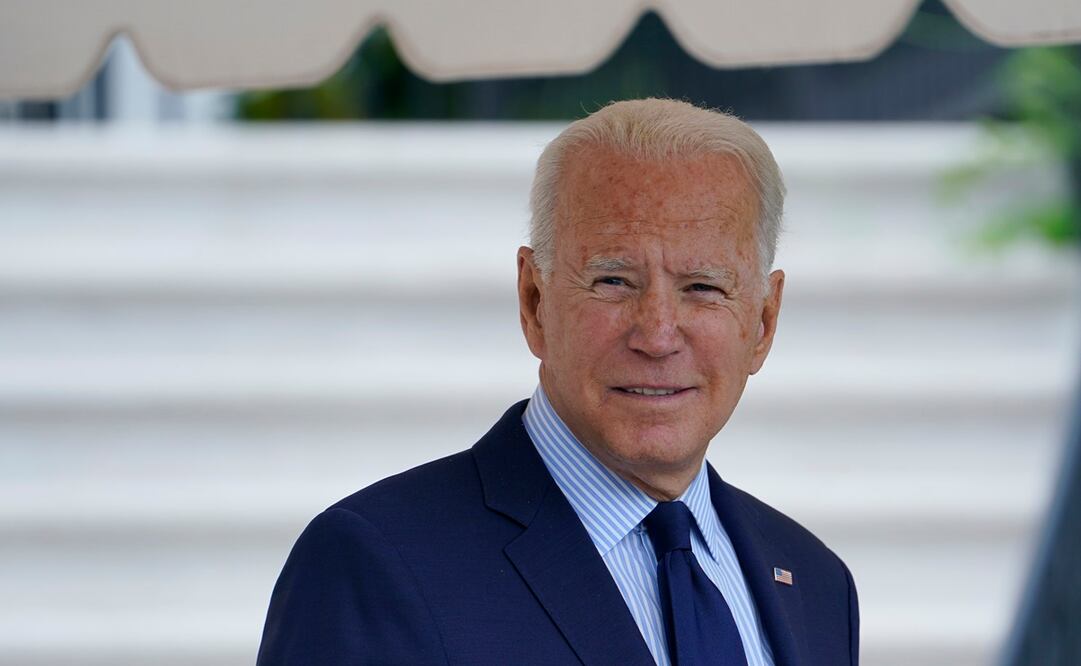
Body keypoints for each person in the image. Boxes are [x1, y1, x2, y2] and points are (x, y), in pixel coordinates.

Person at [257, 98, 859, 665]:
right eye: (613, 281)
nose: (657, 335)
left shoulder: (818, 584)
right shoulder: (375, 565)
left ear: (763, 321)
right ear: (534, 301)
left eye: (703, 287)